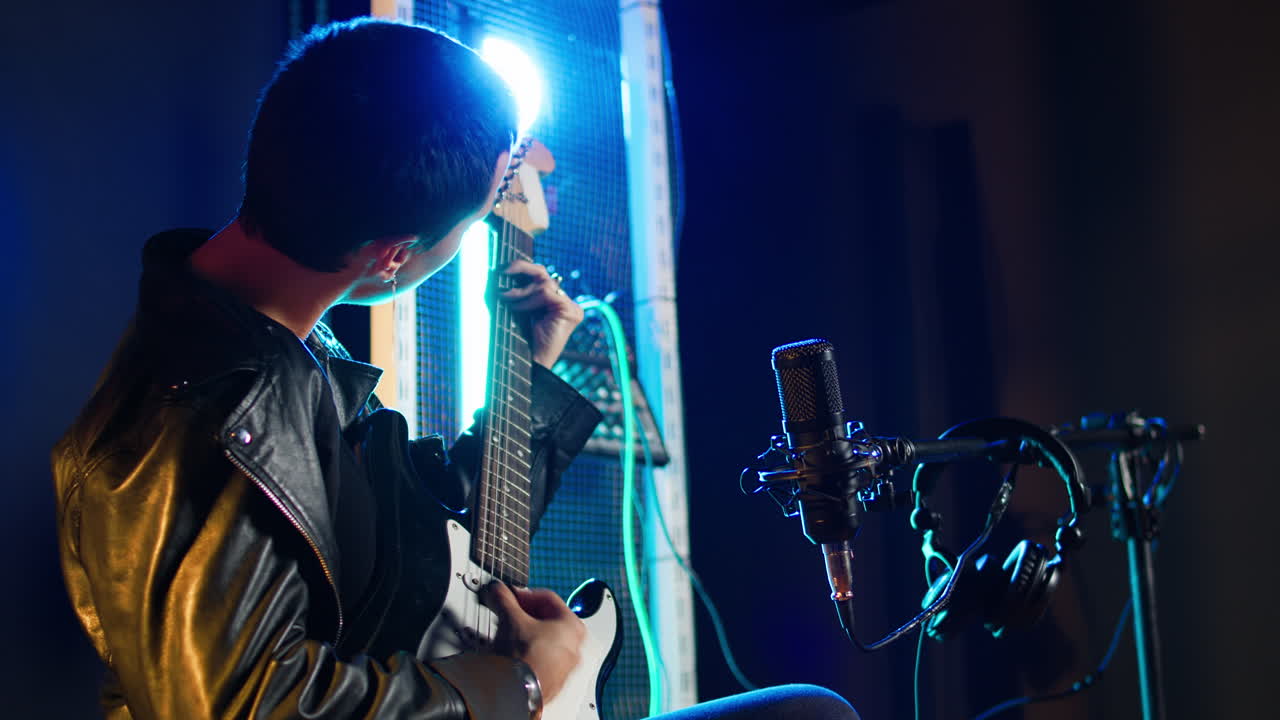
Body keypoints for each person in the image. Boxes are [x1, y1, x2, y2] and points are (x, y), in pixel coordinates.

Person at [52, 17, 859, 720]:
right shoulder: (200, 422)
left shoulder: (282, 347)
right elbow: (241, 707)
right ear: (392, 255)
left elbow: (426, 554)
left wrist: (532, 378)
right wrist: (526, 692)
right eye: (475, 222)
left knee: (807, 712)